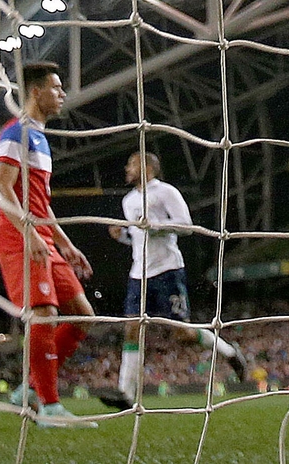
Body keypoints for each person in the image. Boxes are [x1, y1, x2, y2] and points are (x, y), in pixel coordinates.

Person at [0, 61, 97, 426]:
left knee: (83, 315)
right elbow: (2, 187)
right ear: (36, 91)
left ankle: (31, 387)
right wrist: (32, 233)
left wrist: (64, 243)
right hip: (18, 238)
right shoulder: (14, 133)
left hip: (43, 238)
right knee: (45, 315)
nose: (62, 94)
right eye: (56, 87)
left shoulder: (40, 138)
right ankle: (49, 407)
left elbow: (40, 202)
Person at [101, 151, 247, 408]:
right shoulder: (128, 200)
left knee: (183, 333)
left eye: (132, 164)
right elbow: (138, 239)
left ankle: (230, 352)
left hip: (168, 270)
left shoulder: (165, 192)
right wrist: (122, 236)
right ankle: (125, 393)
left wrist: (155, 225)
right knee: (132, 329)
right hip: (139, 274)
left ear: (148, 168)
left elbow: (186, 226)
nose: (127, 169)